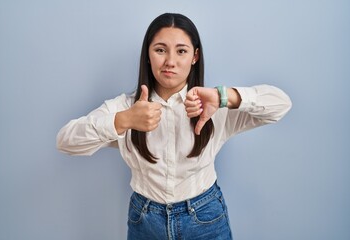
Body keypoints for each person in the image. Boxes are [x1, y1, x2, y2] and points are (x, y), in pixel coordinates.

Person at [56, 13, 292, 240]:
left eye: (181, 51)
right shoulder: (126, 106)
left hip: (205, 218)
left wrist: (224, 97)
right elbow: (65, 141)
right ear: (148, 55)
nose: (170, 61)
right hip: (145, 220)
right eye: (160, 50)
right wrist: (124, 120)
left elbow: (281, 104)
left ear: (195, 56)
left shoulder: (212, 105)